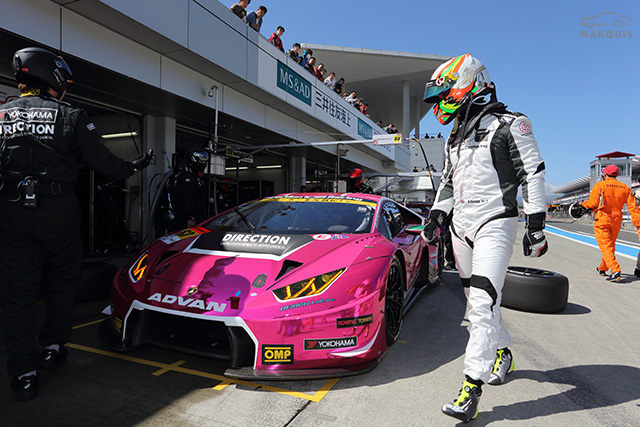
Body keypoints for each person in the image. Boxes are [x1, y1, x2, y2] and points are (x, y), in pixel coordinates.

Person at [0, 47, 153, 401]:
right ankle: (53, 345)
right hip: (58, 210)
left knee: (17, 292)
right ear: (51, 78)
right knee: (62, 280)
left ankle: (23, 371)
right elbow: (104, 163)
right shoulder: (71, 116)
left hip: (12, 210)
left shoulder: (3, 115)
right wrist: (134, 166)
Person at [420, 53, 547, 423]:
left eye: (446, 93)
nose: (442, 103)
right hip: (462, 227)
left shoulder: (513, 123)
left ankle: (470, 387)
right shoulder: (453, 136)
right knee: (480, 306)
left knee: (480, 306)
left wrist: (535, 223)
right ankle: (502, 352)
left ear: (469, 84)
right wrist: (437, 216)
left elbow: (533, 173)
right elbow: (447, 182)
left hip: (495, 221)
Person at [579, 164, 640, 282]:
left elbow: (592, 203)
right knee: (609, 245)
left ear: (605, 174)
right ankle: (603, 267)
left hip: (602, 219)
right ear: (617, 174)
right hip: (617, 220)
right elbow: (633, 207)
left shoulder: (600, 185)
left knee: (605, 245)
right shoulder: (625, 188)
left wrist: (582, 204)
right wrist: (637, 223)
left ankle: (615, 270)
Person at [166, 149, 211, 231]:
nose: (204, 163)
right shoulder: (186, 176)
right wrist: (191, 218)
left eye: (205, 161)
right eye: (202, 161)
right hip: (185, 219)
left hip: (193, 217)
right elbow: (187, 199)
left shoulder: (194, 175)